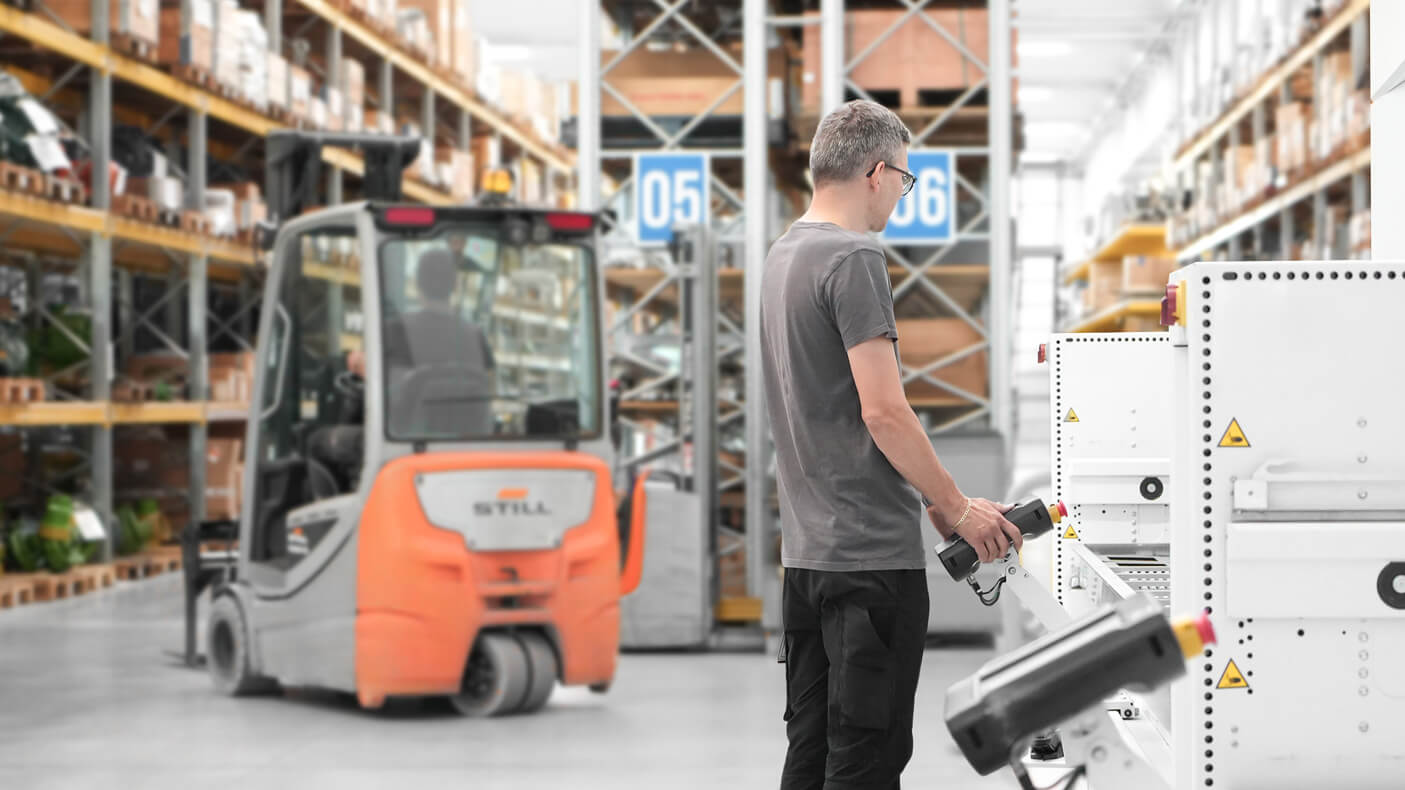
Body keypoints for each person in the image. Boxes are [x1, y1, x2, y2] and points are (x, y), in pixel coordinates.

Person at [760, 99, 1023, 789]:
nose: (899, 198)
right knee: (866, 762)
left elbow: (829, 410)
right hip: (870, 567)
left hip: (808, 561)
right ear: (875, 173)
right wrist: (957, 506)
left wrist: (938, 504)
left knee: (811, 753)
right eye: (903, 182)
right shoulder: (852, 257)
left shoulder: (781, 256)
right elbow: (883, 413)